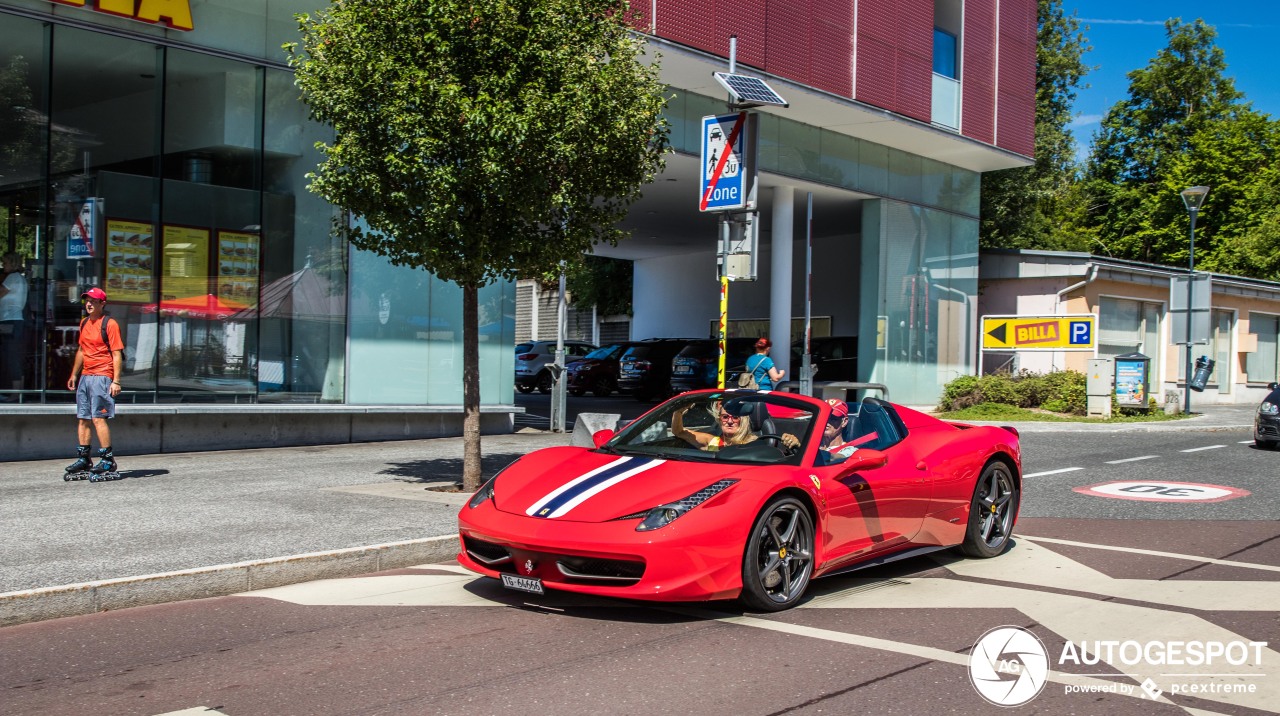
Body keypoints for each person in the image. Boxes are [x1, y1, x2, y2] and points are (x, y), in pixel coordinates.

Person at [65, 287, 124, 478]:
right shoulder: (84, 323)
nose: (88, 304)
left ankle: (107, 460)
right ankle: (84, 458)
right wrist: (74, 374)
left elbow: (116, 354)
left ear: (102, 303)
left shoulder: (110, 324)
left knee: (99, 418)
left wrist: (116, 381)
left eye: (93, 301)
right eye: (86, 301)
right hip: (86, 376)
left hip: (102, 376)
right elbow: (81, 351)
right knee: (83, 418)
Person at [672, 400, 799, 453]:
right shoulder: (712, 441)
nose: (730, 421)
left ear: (742, 420)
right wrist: (678, 412)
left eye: (735, 417)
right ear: (720, 420)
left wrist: (793, 441)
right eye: (725, 417)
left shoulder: (756, 442)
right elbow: (679, 432)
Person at [0, 252, 29, 393]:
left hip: (9, 321)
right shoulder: (20, 279)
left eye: (5, 263)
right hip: (15, 321)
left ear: (12, 263)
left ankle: (16, 392)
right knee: (14, 355)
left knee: (11, 356)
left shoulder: (12, 278)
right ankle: (19, 392)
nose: (3, 265)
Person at [815, 398, 863, 466]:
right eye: (825, 417)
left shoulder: (851, 451)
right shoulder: (814, 446)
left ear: (844, 422)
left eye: (833, 418)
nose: (827, 422)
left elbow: (835, 458)